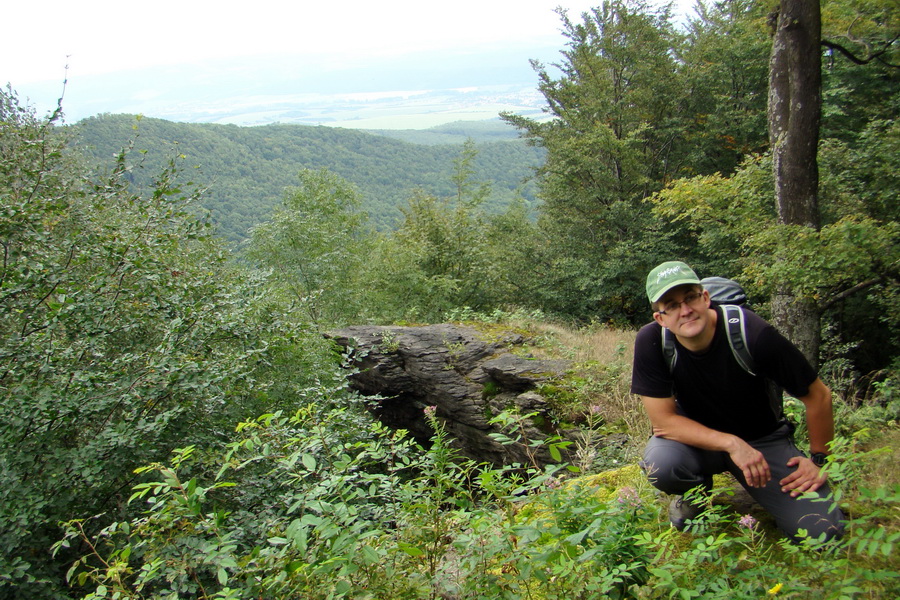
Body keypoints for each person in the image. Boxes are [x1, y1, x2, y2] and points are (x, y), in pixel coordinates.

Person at [631, 261, 844, 541]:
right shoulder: (652, 341)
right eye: (671, 305)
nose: (685, 311)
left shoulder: (752, 333)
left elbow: (818, 396)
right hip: (695, 441)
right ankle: (696, 494)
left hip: (762, 440)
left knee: (823, 533)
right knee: (663, 464)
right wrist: (732, 444)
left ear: (705, 297)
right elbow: (665, 424)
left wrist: (819, 460)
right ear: (660, 317)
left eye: (690, 297)